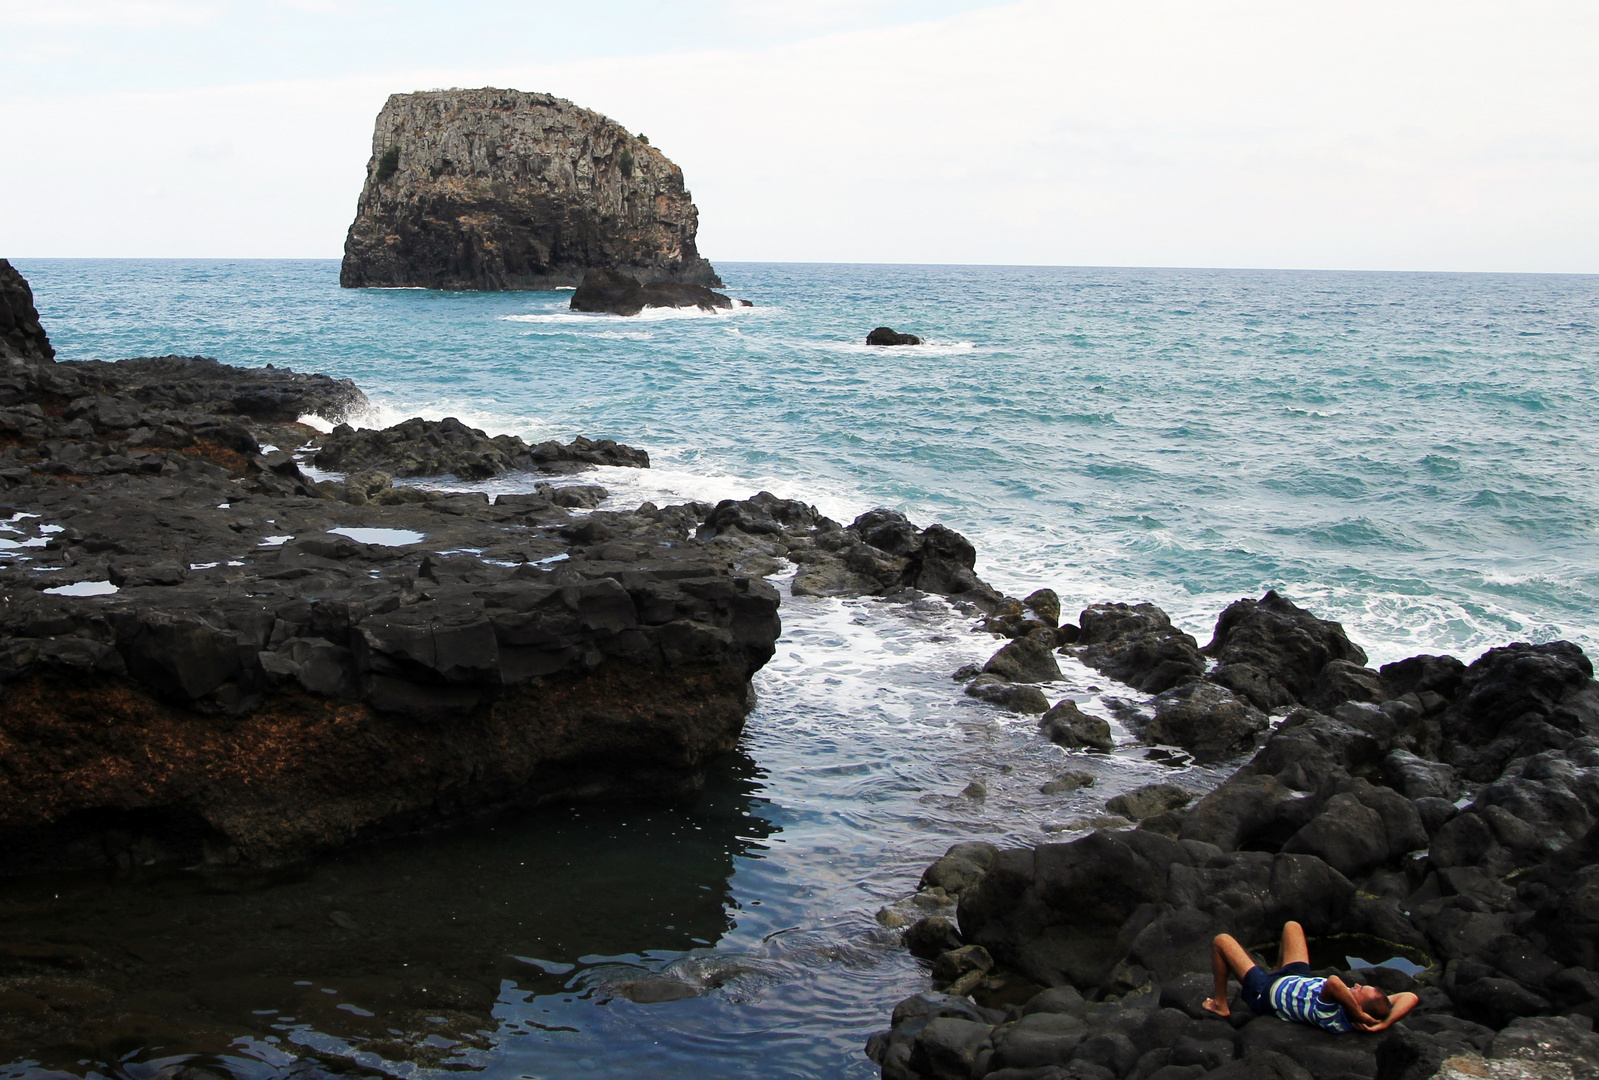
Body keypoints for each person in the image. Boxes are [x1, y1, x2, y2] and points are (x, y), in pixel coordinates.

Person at [1203, 921, 1418, 1034]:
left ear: (1354, 1008)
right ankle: (1276, 968)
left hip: (1266, 991)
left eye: (1359, 991)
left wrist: (1358, 1015)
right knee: (1292, 927)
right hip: (1298, 978)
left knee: (1221, 941)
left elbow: (1334, 982)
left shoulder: (1333, 1015)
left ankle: (1221, 1003)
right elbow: (1410, 997)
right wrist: (1383, 1024)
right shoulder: (1353, 1010)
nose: (1357, 985)